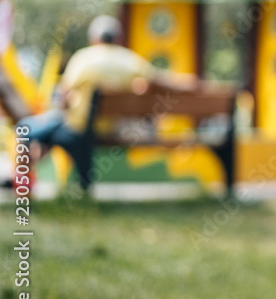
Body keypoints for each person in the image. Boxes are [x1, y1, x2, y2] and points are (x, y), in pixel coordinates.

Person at [15, 15, 194, 189]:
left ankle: (23, 183)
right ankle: (44, 178)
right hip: (110, 127)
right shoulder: (130, 60)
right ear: (117, 38)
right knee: (46, 132)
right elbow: (159, 80)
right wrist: (190, 83)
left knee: (26, 128)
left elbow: (63, 97)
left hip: (79, 128)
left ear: (94, 38)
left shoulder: (84, 58)